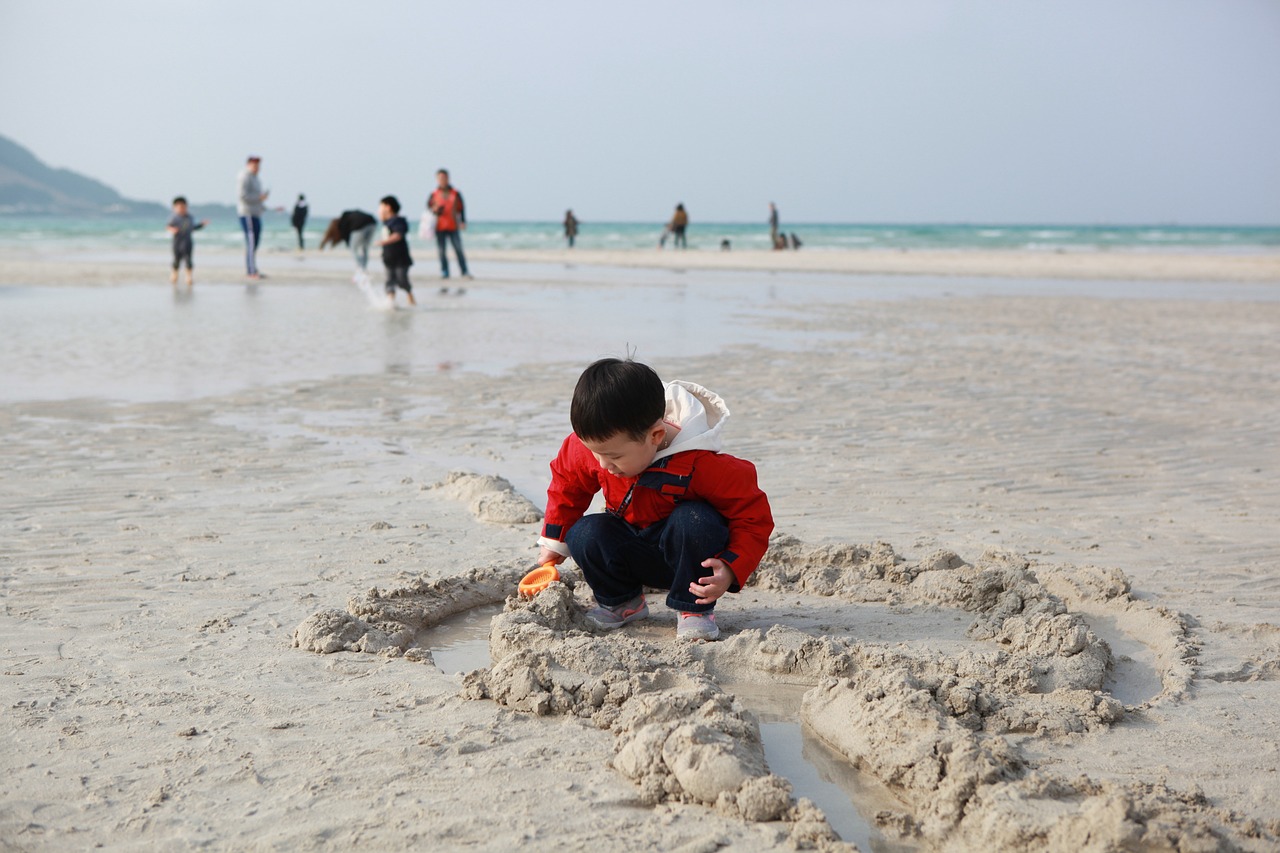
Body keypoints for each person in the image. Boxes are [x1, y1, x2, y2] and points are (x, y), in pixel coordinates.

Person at [535, 358, 774, 642]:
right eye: (594, 452)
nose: (602, 464)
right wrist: (553, 541)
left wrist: (732, 567)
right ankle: (622, 602)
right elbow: (568, 485)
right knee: (584, 533)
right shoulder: (601, 444)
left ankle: (694, 610)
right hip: (630, 545)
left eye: (613, 457)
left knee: (695, 519)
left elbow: (752, 517)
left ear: (655, 435)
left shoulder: (702, 463)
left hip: (687, 557)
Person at [426, 168, 470, 280]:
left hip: (453, 225)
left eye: (444, 177)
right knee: (442, 251)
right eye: (440, 178)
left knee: (458, 249)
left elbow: (462, 208)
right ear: (437, 179)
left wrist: (463, 222)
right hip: (439, 226)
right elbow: (429, 208)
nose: (442, 180)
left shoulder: (455, 193)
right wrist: (435, 209)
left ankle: (464, 271)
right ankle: (444, 271)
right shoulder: (434, 194)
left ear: (448, 178)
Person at [376, 195, 416, 307]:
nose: (379, 210)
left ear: (388, 207)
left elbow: (398, 235)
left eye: (381, 207)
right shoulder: (386, 222)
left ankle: (410, 294)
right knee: (389, 280)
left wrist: (384, 242)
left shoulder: (399, 221)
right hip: (388, 258)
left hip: (401, 259)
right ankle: (390, 301)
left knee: (401, 280)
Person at [236, 155, 269, 279]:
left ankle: (253, 268)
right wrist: (259, 198)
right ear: (248, 165)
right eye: (254, 165)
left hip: (256, 213)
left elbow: (258, 198)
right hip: (247, 213)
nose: (257, 168)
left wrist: (263, 204)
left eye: (258, 166)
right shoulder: (244, 176)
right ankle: (250, 271)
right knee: (250, 242)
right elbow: (242, 196)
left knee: (255, 243)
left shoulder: (256, 178)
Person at [166, 196, 207, 286]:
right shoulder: (174, 218)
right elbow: (168, 226)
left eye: (183, 207)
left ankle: (189, 276)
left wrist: (201, 225)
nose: (181, 209)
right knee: (176, 260)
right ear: (174, 208)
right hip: (177, 242)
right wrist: (172, 229)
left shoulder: (190, 218)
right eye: (179, 207)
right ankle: (174, 274)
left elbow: (193, 228)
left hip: (188, 242)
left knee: (188, 260)